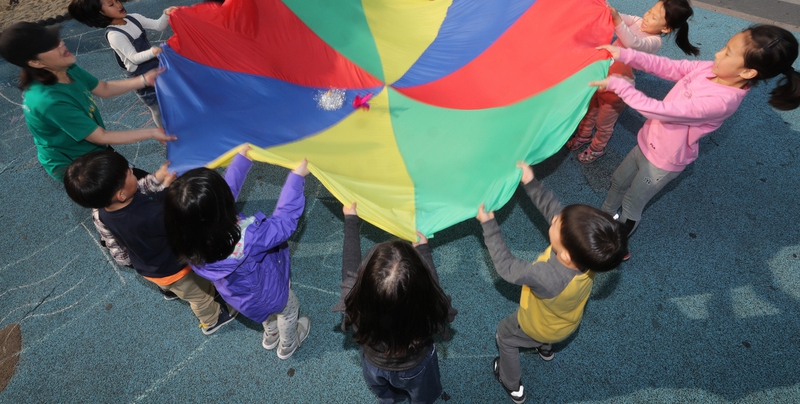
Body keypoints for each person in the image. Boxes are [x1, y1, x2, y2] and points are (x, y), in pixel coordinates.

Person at [592, 25, 800, 244]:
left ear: (747, 72)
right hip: (647, 141)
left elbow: (660, 111)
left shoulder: (721, 102)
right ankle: (602, 217)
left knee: (632, 203)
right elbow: (670, 66)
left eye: (728, 52)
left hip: (663, 162)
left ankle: (615, 242)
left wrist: (621, 86)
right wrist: (627, 55)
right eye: (724, 47)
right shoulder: (711, 70)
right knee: (617, 181)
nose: (717, 53)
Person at [477, 161, 627, 404]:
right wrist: (530, 182)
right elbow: (555, 210)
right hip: (565, 324)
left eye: (558, 223)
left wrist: (489, 226)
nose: (556, 218)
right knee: (549, 327)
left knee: (505, 337)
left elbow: (507, 268)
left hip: (534, 325)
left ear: (566, 254)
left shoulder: (547, 276)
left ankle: (512, 384)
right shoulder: (591, 256)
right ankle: (545, 349)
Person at [63, 151, 238, 335]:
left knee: (167, 282)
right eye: (129, 173)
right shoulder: (152, 216)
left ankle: (168, 290)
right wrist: (171, 190)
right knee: (200, 295)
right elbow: (176, 222)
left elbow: (115, 239)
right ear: (121, 194)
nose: (133, 172)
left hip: (146, 265)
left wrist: (158, 178)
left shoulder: (100, 212)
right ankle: (212, 319)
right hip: (173, 268)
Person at [164, 148, 311, 359]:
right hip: (269, 290)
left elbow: (219, 199)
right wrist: (296, 180)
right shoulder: (248, 239)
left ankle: (271, 335)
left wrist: (240, 162)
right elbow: (283, 223)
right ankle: (288, 343)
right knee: (288, 310)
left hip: (241, 296)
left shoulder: (190, 241)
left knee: (265, 315)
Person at [0, 22, 174, 181]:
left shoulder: (66, 67)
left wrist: (144, 79)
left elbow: (104, 88)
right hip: (76, 163)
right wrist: (152, 132)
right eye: (50, 45)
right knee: (124, 192)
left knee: (136, 182)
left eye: (55, 39)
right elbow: (101, 136)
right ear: (35, 63)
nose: (60, 43)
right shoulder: (48, 101)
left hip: (94, 146)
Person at [333, 202, 456, 404]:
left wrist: (351, 221)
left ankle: (389, 399)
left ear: (362, 280)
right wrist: (423, 250)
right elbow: (433, 283)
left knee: (382, 389)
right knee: (422, 393)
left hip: (374, 364)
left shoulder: (353, 303)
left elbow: (350, 264)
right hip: (415, 366)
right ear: (421, 286)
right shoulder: (430, 309)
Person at [567, 0, 699, 163]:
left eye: (654, 17)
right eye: (650, 11)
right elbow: (616, 15)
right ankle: (583, 135)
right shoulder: (637, 21)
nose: (647, 17)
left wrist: (617, 20)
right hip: (601, 78)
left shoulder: (653, 42)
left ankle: (597, 147)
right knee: (590, 109)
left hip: (617, 90)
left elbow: (633, 43)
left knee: (604, 123)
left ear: (666, 28)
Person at [68, 0, 176, 129]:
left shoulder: (133, 18)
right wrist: (153, 52)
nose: (119, 5)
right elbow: (134, 58)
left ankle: (178, 123)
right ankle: (165, 134)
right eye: (111, 4)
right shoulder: (115, 35)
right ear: (100, 13)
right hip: (140, 74)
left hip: (154, 65)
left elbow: (158, 26)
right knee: (156, 107)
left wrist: (166, 14)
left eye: (117, 0)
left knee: (171, 96)